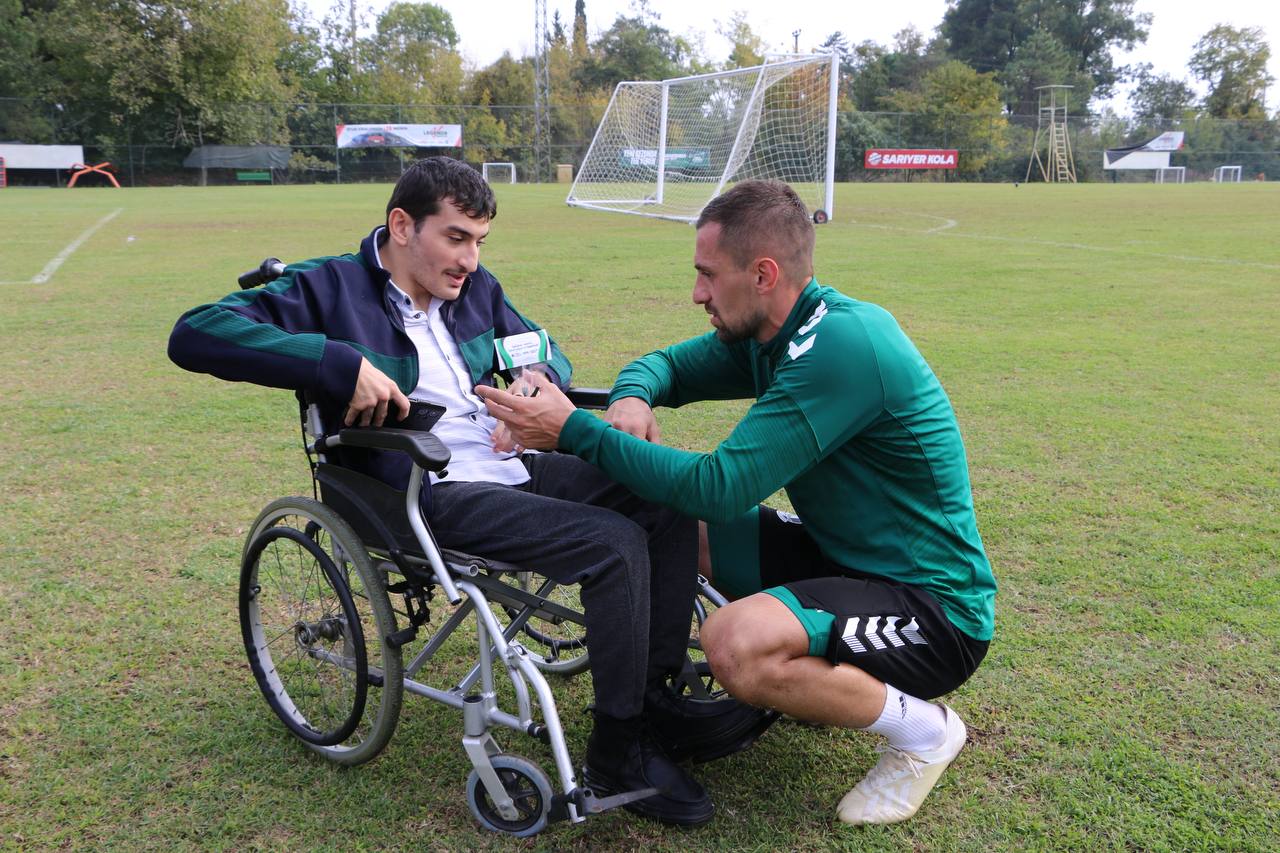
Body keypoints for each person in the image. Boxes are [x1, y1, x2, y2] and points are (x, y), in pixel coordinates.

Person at [168, 157, 772, 827]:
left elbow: (543, 346)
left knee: (663, 497)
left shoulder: (476, 288)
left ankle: (656, 704)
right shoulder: (329, 288)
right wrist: (338, 362)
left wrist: (533, 380)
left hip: (510, 466)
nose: (470, 258)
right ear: (403, 225)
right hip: (419, 487)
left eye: (480, 240)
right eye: (456, 237)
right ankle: (618, 750)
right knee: (612, 542)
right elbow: (194, 332)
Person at [476, 179, 997, 826]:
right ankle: (659, 702)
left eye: (706, 275)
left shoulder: (840, 349)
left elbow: (720, 485)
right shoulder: (771, 332)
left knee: (734, 644)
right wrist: (633, 397)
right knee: (679, 528)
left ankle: (925, 731)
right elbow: (665, 364)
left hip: (933, 608)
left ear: (763, 274)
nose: (697, 294)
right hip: (842, 561)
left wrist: (575, 431)